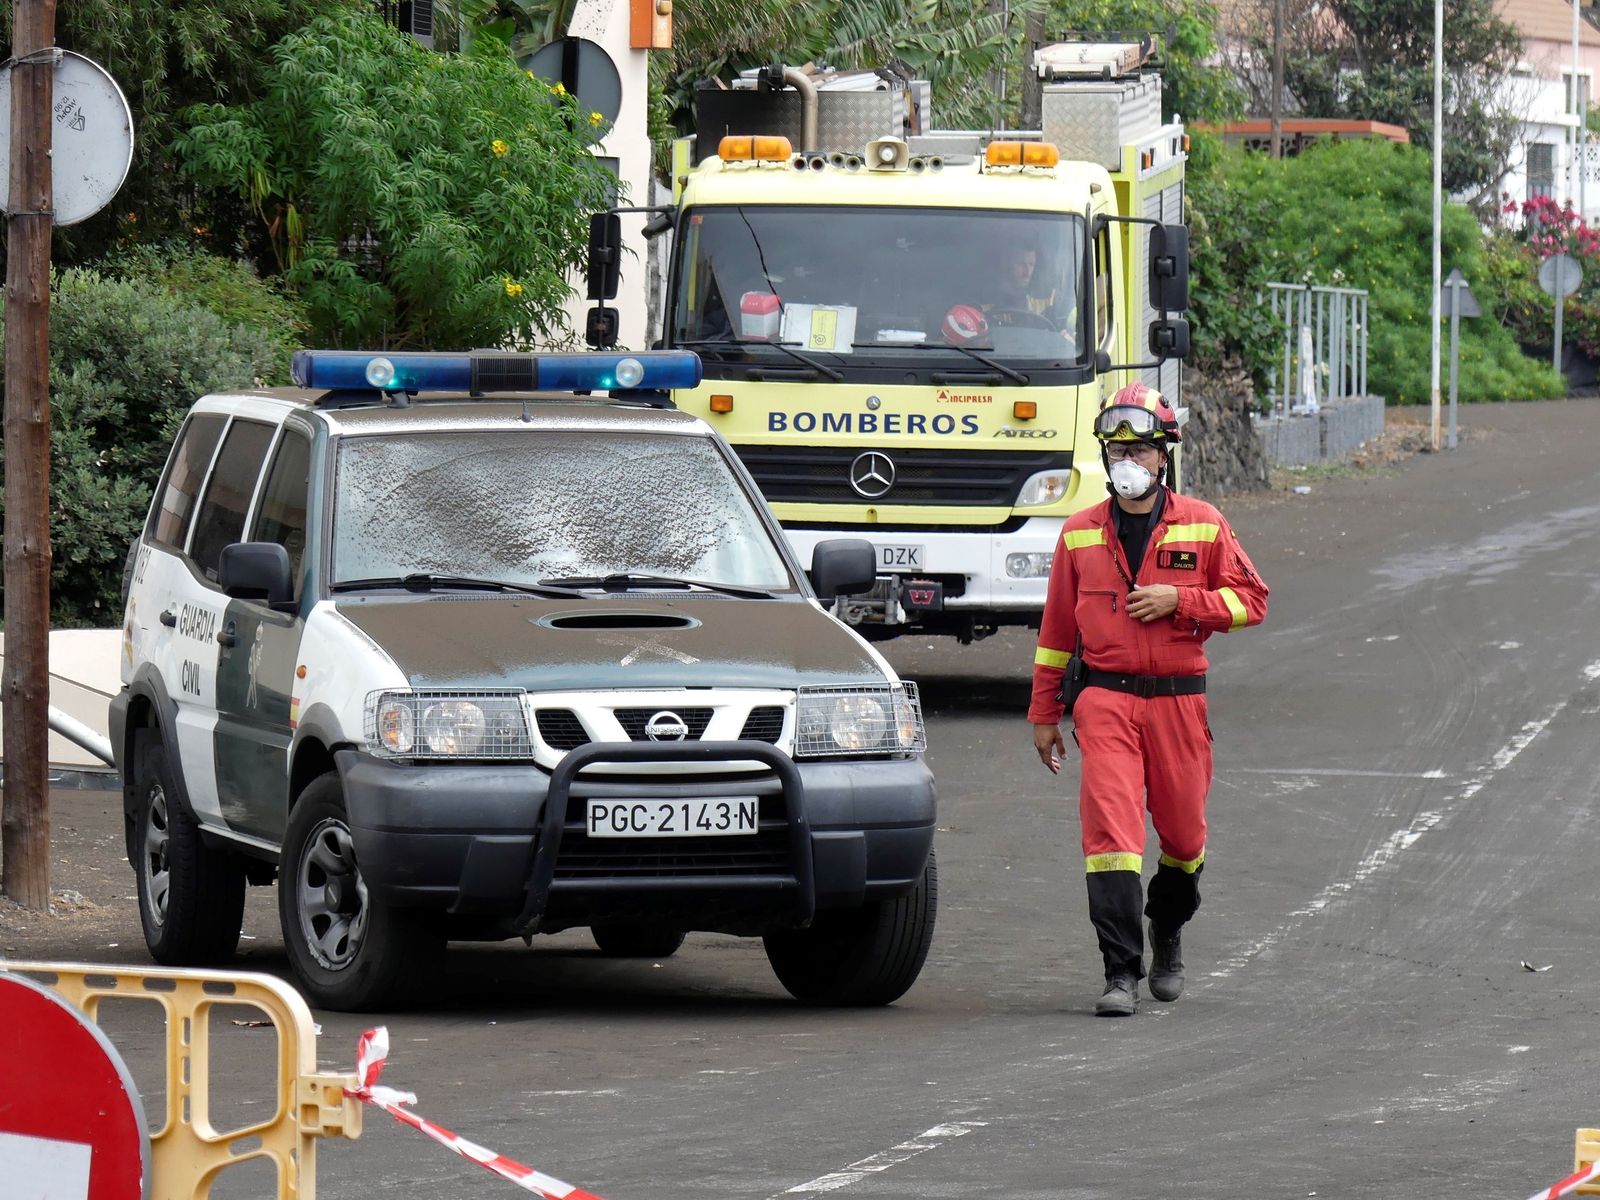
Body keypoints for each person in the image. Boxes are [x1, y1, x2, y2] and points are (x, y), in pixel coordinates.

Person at [1029, 382, 1269, 1016]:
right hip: (1105, 700)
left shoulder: (1204, 522)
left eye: (1138, 449)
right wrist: (1045, 712)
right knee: (1111, 835)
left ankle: (1167, 926)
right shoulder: (1079, 535)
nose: (1125, 461)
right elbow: (1056, 633)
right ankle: (1120, 973)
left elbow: (1254, 602)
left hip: (1178, 704)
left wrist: (1182, 600)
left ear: (1164, 455)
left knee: (1185, 839)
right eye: (1115, 449)